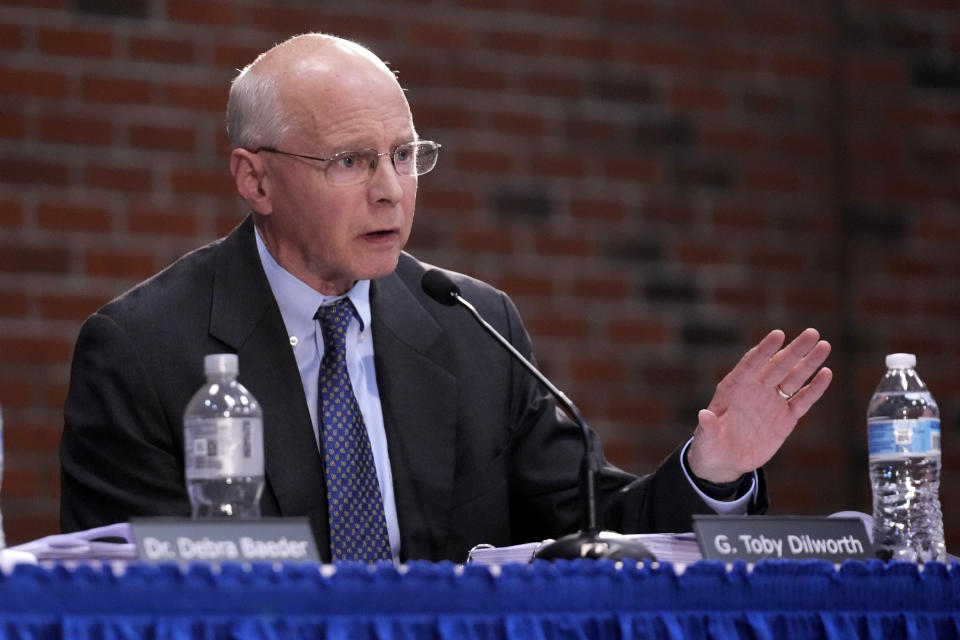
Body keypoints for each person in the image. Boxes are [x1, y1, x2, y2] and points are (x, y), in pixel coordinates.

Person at [59, 33, 833, 563]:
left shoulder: (471, 327)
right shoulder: (144, 350)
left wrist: (715, 466)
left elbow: (590, 537)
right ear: (254, 179)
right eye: (352, 161)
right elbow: (123, 599)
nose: (392, 192)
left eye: (405, 156)